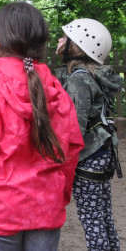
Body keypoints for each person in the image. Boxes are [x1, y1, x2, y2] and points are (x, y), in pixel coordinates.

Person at [0, 2, 84, 250]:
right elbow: (71, 151)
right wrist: (59, 195)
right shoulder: (57, 91)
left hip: (0, 211)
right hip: (46, 210)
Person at [55, 18, 123, 250]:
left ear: (77, 46)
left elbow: (74, 128)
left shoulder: (79, 80)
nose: (59, 40)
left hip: (88, 159)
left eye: (65, 38)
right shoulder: (92, 74)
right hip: (103, 154)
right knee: (103, 218)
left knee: (92, 221)